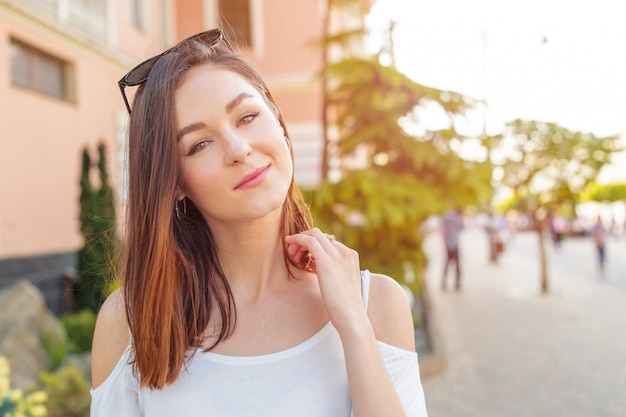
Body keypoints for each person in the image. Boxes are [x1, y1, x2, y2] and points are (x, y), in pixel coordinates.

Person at [90, 28, 428, 416]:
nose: (238, 149)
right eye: (199, 144)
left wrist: (352, 322)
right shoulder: (132, 320)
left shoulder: (376, 303)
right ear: (175, 182)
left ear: (280, 125)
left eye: (248, 116)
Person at [441, 209, 463, 291]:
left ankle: (444, 282)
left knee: (447, 264)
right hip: (455, 244)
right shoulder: (457, 218)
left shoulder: (447, 216)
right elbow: (460, 228)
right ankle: (457, 284)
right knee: (457, 265)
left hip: (448, 244)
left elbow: (443, 230)